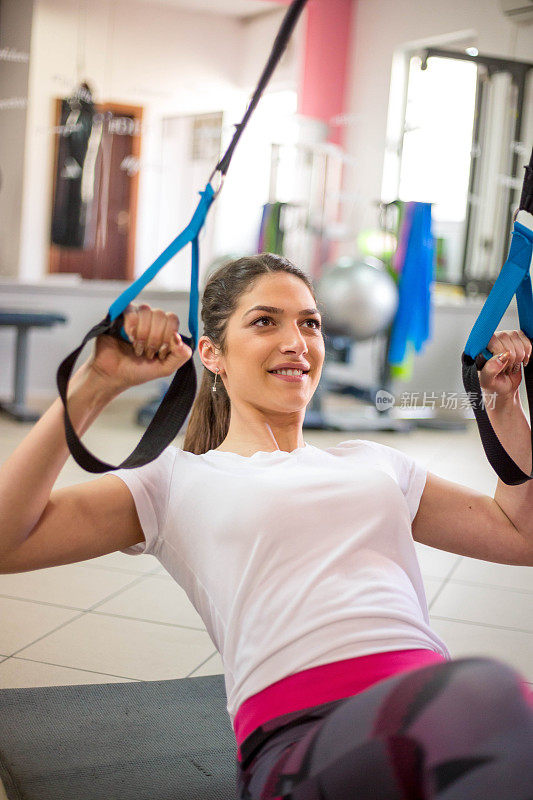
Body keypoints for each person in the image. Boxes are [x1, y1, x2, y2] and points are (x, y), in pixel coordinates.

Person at [1, 253, 532, 800]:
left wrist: (504, 404)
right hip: (304, 735)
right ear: (212, 354)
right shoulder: (174, 479)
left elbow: (519, 535)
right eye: (264, 321)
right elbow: (7, 540)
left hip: (429, 711)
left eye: (310, 323)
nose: (296, 341)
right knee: (488, 694)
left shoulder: (376, 463)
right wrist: (95, 383)